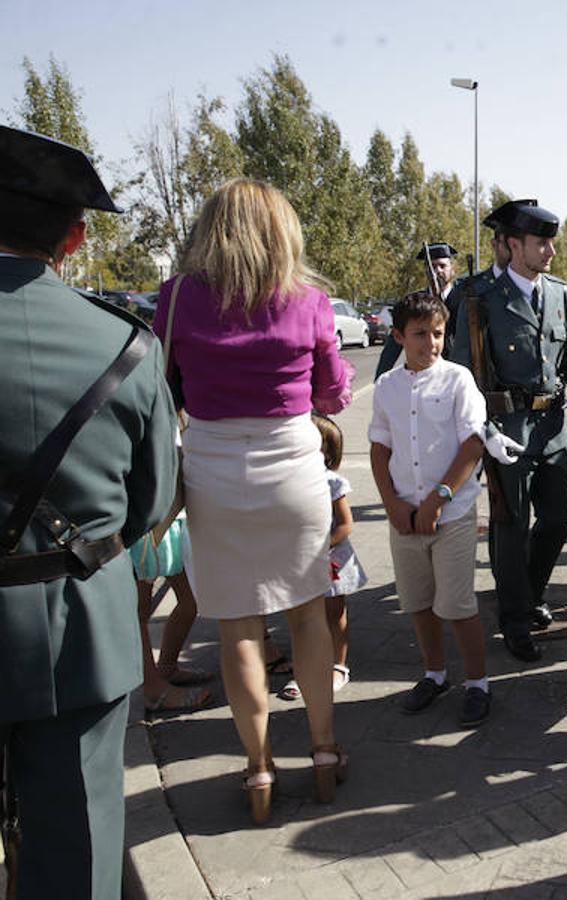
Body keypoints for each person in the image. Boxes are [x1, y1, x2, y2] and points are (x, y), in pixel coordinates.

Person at [0, 126, 179, 898]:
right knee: (76, 857)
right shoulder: (127, 349)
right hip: (79, 635)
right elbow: (148, 507)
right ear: (74, 238)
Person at [155, 177, 353, 824]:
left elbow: (164, 390)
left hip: (211, 466)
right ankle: (324, 753)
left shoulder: (179, 296)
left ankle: (259, 767)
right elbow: (334, 393)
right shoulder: (310, 300)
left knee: (239, 626)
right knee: (308, 616)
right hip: (292, 465)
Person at [449, 201, 567, 662]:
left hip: (552, 429)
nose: (550, 251)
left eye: (552, 241)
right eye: (540, 242)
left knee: (561, 514)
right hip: (506, 429)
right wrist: (483, 430)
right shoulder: (479, 297)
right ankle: (515, 618)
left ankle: (529, 592)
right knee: (511, 526)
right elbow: (462, 373)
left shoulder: (559, 293)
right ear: (513, 245)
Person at [370, 291, 494, 724]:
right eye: (420, 334)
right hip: (404, 517)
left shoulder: (458, 379)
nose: (431, 343)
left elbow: (473, 443)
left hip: (453, 514)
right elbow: (379, 448)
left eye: (438, 333)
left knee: (457, 606)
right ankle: (435, 673)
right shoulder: (386, 386)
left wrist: (439, 498)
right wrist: (391, 504)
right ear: (399, 336)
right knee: (418, 604)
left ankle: (478, 682)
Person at [280, 414, 367, 701]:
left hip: (330, 560)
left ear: (325, 452)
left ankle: (338, 666)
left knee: (334, 613)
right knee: (302, 617)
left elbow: (345, 524)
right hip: (298, 561)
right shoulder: (287, 480)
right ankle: (303, 669)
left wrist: (323, 546)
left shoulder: (332, 483)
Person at [133, 528, 213, 713]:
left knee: (191, 598)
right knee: (139, 610)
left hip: (165, 524)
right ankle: (151, 689)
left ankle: (167, 667)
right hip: (141, 529)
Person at [374, 242, 459, 379]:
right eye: (433, 266)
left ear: (452, 269)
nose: (438, 271)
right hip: (424, 376)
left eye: (442, 266)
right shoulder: (414, 303)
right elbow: (392, 348)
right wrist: (380, 379)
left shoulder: (464, 299)